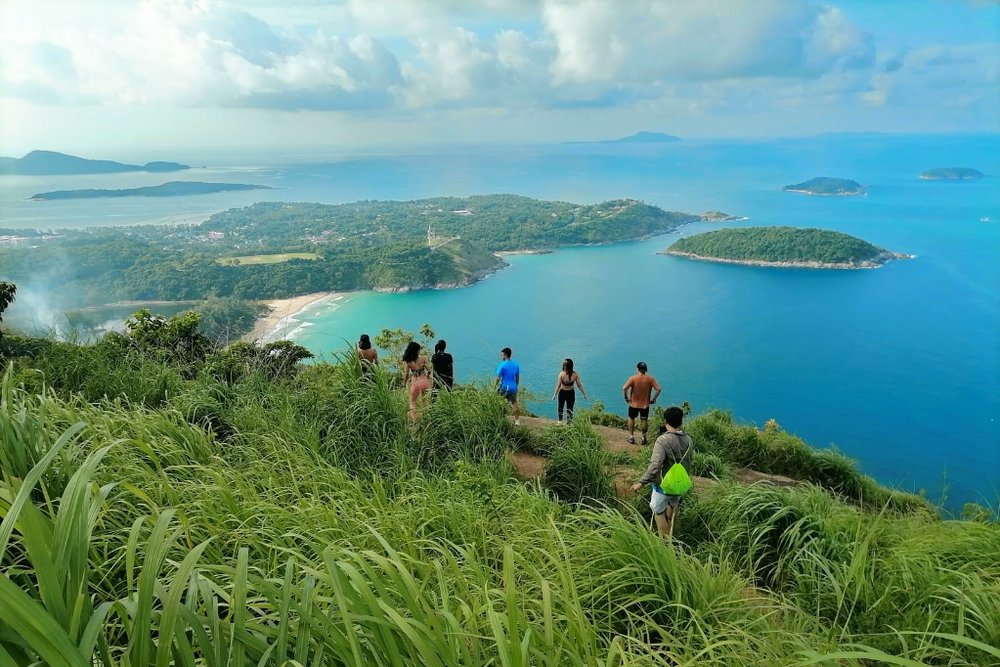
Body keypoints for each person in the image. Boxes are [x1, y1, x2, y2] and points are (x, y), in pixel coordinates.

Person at [630, 406, 694, 538]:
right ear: (681, 421)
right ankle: (674, 535)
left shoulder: (663, 440)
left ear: (665, 421)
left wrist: (641, 482)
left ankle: (664, 544)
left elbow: (655, 465)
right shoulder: (689, 440)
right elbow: (689, 462)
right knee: (673, 505)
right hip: (680, 483)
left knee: (658, 510)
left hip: (663, 484)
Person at [622, 361, 661, 444]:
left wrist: (626, 397)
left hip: (633, 404)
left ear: (637, 369)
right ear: (645, 369)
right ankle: (644, 438)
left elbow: (624, 388)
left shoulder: (633, 378)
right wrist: (654, 399)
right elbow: (658, 389)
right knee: (644, 420)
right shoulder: (650, 379)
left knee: (631, 418)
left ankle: (631, 436)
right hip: (645, 405)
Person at [402, 341, 431, 423]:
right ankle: (426, 419)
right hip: (425, 381)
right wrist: (428, 377)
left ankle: (415, 420)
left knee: (412, 401)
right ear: (416, 350)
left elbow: (406, 374)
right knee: (425, 401)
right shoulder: (424, 358)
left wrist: (404, 384)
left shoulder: (408, 361)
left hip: (415, 382)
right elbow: (429, 370)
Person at [551, 358, 587, 423]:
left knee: (570, 408)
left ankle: (569, 422)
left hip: (569, 393)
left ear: (568, 366)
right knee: (561, 407)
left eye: (565, 365)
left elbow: (579, 385)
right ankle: (560, 421)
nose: (564, 366)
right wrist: (554, 395)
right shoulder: (562, 374)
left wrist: (584, 393)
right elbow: (558, 386)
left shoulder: (574, 375)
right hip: (564, 392)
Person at [495, 347, 521, 426]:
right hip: (513, 387)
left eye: (502, 355)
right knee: (514, 403)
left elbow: (498, 377)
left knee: (500, 402)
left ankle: (500, 418)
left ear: (505, 355)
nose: (501, 356)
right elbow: (517, 377)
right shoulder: (516, 365)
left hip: (504, 387)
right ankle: (517, 421)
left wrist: (495, 386)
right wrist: (516, 386)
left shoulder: (502, 365)